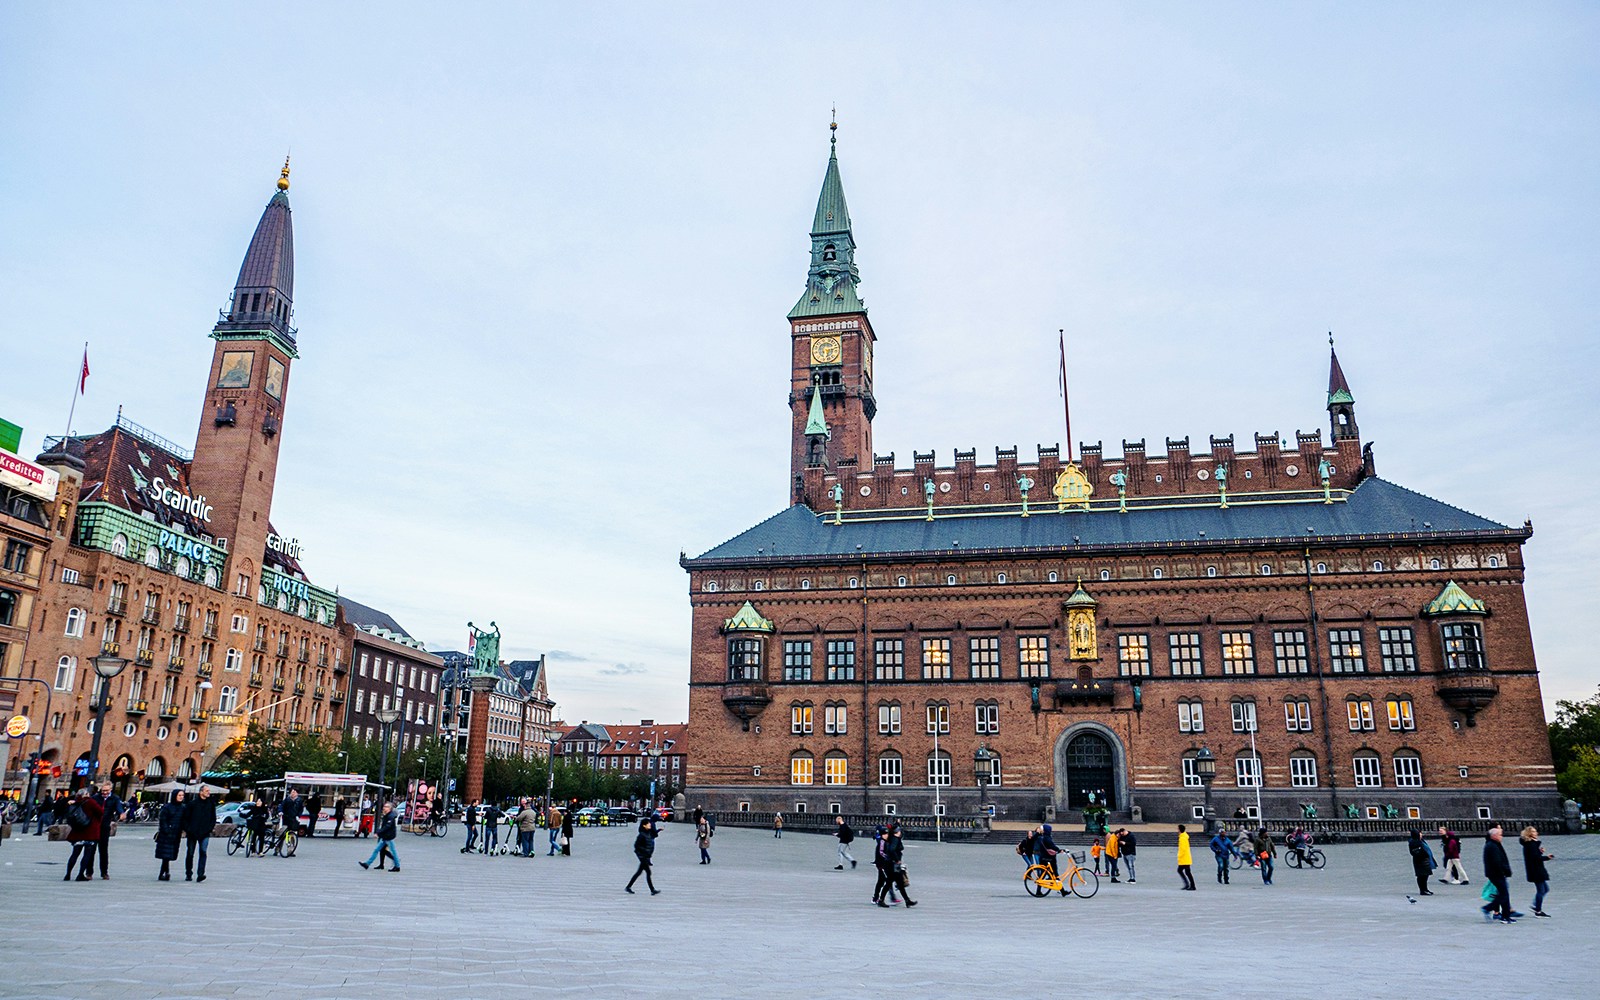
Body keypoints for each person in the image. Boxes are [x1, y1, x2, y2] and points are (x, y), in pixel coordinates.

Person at [63, 788, 103, 881]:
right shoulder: (90, 802)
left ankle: (68, 874)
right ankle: (80, 874)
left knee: (75, 853)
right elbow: (100, 812)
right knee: (87, 854)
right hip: (89, 831)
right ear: (87, 794)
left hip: (77, 831)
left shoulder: (75, 802)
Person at [182, 785, 217, 882]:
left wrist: (209, 828)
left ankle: (200, 874)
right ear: (201, 792)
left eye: (209, 790)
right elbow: (186, 818)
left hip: (205, 833)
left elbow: (213, 818)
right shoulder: (192, 804)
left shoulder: (210, 804)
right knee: (190, 853)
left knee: (203, 852)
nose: (208, 792)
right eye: (206, 791)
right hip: (192, 833)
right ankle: (188, 873)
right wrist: (189, 829)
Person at [1481, 826, 1515, 923]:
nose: (1501, 837)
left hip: (1495, 873)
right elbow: (1497, 862)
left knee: (1503, 894)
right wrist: (1504, 871)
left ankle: (1505, 915)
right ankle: (1488, 908)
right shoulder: (1492, 846)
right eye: (1500, 835)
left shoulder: (1493, 844)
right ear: (1494, 836)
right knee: (1504, 894)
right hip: (1496, 874)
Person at [1520, 826, 1553, 917]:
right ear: (1530, 834)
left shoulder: (1530, 844)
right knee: (1541, 890)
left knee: (1545, 889)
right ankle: (1537, 909)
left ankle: (1536, 906)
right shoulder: (1531, 845)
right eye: (1534, 832)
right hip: (1536, 870)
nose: (1536, 833)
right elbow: (1535, 858)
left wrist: (1540, 852)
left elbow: (1533, 856)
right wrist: (1547, 857)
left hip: (1535, 869)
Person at [360, 802, 400, 872]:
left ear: (390, 808)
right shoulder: (388, 815)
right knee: (377, 850)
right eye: (384, 806)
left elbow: (387, 826)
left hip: (388, 836)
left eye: (386, 806)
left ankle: (397, 866)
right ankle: (367, 864)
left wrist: (378, 832)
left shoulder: (391, 816)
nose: (384, 808)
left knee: (393, 851)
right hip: (385, 836)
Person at [154, 790, 185, 881]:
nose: (181, 797)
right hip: (166, 834)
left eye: (182, 795)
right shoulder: (167, 807)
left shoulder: (183, 808)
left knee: (170, 855)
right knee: (166, 855)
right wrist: (166, 830)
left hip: (176, 834)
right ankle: (164, 872)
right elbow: (163, 820)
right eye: (179, 795)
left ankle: (164, 872)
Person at [94, 780, 122, 879]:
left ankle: (104, 872)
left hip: (105, 827)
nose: (104, 792)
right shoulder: (96, 798)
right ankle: (89, 872)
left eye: (106, 790)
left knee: (103, 850)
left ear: (111, 789)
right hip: (94, 827)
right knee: (91, 850)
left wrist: (121, 813)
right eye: (103, 790)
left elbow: (119, 808)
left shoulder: (114, 798)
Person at [625, 816, 660, 895]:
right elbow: (637, 846)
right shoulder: (642, 835)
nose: (650, 825)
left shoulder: (648, 833)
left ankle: (628, 886)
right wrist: (644, 852)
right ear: (644, 825)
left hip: (646, 856)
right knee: (648, 872)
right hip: (643, 856)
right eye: (648, 824)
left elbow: (654, 836)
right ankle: (652, 890)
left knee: (639, 873)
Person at [886, 824, 917, 906]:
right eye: (899, 831)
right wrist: (897, 860)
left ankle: (907, 900)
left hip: (892, 863)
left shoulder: (892, 838)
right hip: (894, 864)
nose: (900, 832)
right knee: (893, 882)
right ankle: (880, 899)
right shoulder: (895, 839)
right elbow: (892, 849)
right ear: (896, 832)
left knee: (898, 883)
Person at [1034, 824, 1068, 897]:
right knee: (1054, 874)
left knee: (1046, 874)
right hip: (1048, 858)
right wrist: (1059, 850)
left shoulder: (1044, 837)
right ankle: (1062, 890)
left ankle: (1062, 891)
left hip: (1044, 857)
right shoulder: (1047, 838)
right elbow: (1052, 846)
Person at [873, 825, 900, 906]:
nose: (886, 835)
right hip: (881, 864)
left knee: (881, 881)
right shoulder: (882, 842)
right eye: (885, 834)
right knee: (887, 881)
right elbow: (881, 852)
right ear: (881, 835)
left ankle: (876, 898)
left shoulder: (886, 842)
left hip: (884, 864)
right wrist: (888, 857)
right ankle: (883, 899)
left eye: (887, 834)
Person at [1406, 829, 1435, 896]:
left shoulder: (1420, 841)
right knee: (1421, 876)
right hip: (1420, 860)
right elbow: (1414, 852)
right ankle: (1422, 890)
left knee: (1425, 875)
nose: (1421, 834)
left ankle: (1425, 889)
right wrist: (1424, 854)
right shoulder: (1414, 842)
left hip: (1424, 860)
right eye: (1420, 833)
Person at [1176, 824, 1196, 890]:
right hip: (1186, 858)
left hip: (1184, 859)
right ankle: (1189, 884)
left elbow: (1182, 849)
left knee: (1184, 871)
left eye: (1178, 829)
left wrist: (1179, 856)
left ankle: (1190, 885)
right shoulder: (1184, 837)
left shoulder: (1182, 838)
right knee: (1185, 871)